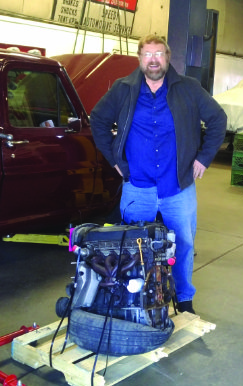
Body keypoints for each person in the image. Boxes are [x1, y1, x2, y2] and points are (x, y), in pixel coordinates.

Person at [90, 34, 227, 315]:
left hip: (177, 186)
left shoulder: (188, 88)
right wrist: (114, 158)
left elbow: (217, 119)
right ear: (140, 59)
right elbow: (98, 120)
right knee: (131, 246)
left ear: (168, 57)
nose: (153, 60)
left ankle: (184, 298)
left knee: (184, 244)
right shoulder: (123, 89)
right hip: (137, 185)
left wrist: (203, 157)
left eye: (159, 54)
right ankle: (131, 298)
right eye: (147, 55)